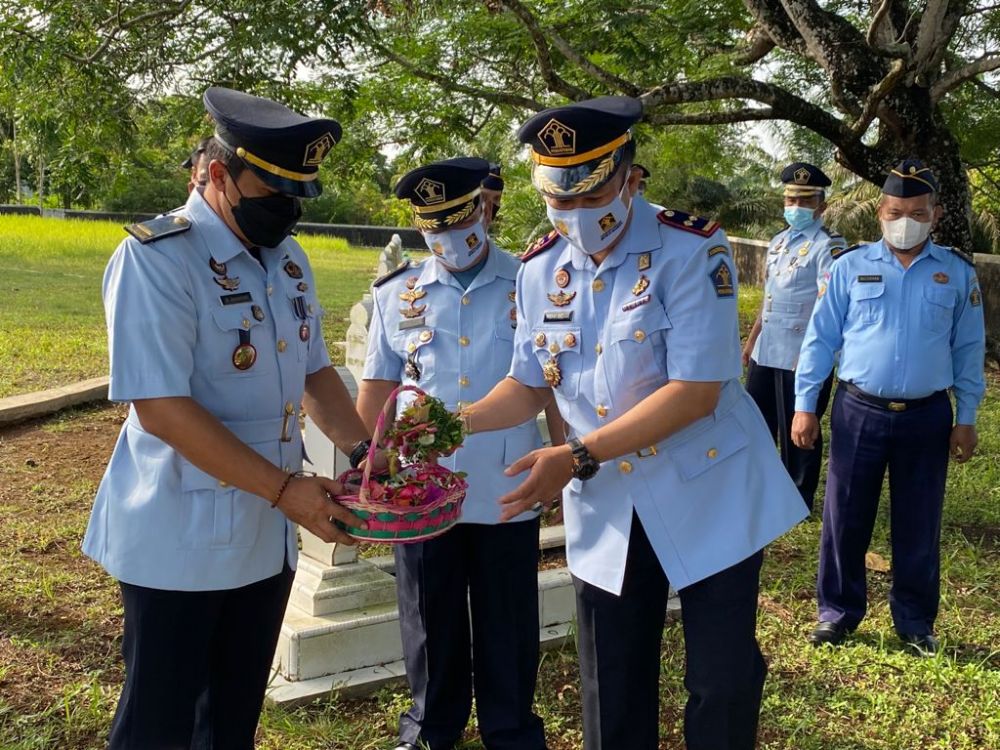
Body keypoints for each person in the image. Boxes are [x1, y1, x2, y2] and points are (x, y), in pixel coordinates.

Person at [457, 96, 807, 750]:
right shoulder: (539, 271)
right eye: (559, 201)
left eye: (590, 195)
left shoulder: (692, 249)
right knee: (611, 684)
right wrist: (454, 422)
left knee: (723, 681)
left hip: (710, 489)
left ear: (628, 176)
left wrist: (577, 454)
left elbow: (697, 391)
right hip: (609, 501)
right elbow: (527, 384)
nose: (575, 216)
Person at [83, 87, 377, 749]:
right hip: (179, 540)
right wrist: (286, 491)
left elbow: (315, 374)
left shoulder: (290, 262)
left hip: (263, 537)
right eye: (274, 192)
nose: (290, 210)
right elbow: (160, 408)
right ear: (219, 175)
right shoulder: (158, 259)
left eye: (300, 194)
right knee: (159, 726)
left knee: (232, 722)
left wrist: (366, 452)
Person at [357, 158, 552, 750]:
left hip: (505, 487)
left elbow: (549, 381)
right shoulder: (397, 295)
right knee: (427, 621)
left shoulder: (531, 282)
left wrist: (568, 460)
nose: (448, 235)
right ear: (421, 227)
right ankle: (429, 730)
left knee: (508, 623)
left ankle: (511, 730)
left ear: (482, 208)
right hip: (424, 492)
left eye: (457, 219)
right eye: (433, 225)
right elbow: (377, 389)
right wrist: (374, 464)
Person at [792, 159, 986, 654]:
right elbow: (819, 340)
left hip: (927, 415)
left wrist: (966, 419)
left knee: (919, 521)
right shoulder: (849, 267)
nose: (906, 220)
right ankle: (837, 613)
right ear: (880, 211)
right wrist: (804, 405)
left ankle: (916, 621)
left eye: (917, 212)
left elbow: (968, 349)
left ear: (935, 215)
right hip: (860, 410)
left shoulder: (957, 274)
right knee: (844, 517)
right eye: (897, 210)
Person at [742, 162, 845, 512]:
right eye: (790, 199)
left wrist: (813, 355)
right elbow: (769, 296)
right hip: (767, 350)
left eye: (805, 201)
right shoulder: (779, 242)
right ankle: (760, 489)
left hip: (802, 354)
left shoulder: (828, 247)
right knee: (756, 422)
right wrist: (751, 339)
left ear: (821, 206)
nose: (796, 207)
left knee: (799, 431)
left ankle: (797, 499)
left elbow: (826, 307)